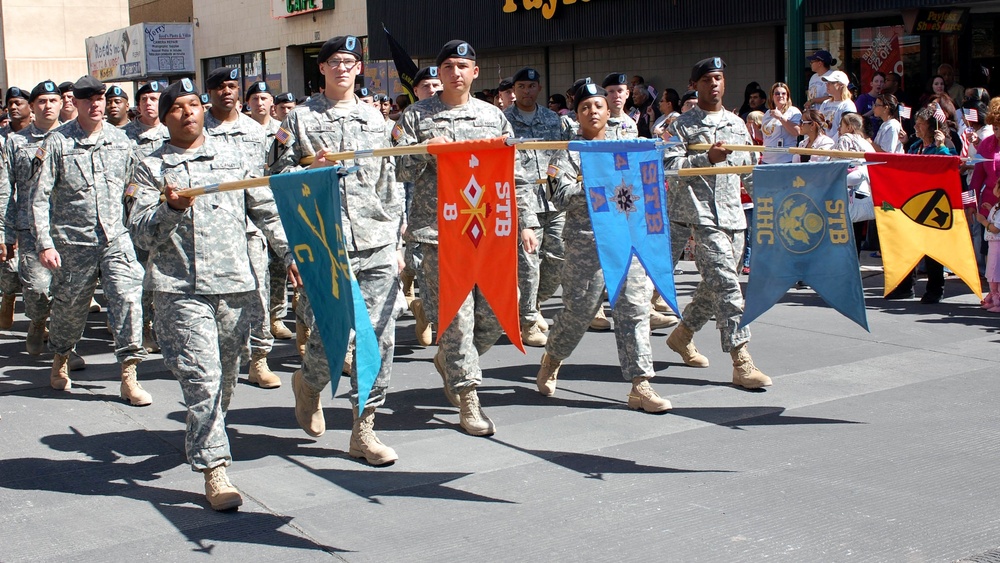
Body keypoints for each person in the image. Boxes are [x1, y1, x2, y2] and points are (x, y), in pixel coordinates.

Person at [128, 78, 296, 510]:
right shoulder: (149, 165)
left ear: (203, 110)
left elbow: (266, 210)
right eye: (176, 108)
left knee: (223, 378)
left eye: (193, 105)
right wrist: (170, 208)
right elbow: (140, 233)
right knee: (202, 379)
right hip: (179, 290)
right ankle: (215, 469)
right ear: (164, 118)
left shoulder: (236, 156)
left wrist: (293, 254)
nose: (187, 113)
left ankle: (208, 434)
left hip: (235, 286)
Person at [394, 39, 536, 436]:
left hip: (488, 232)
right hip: (438, 234)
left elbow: (516, 171)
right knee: (457, 319)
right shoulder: (416, 117)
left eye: (463, 65)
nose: (455, 72)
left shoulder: (494, 117)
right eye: (448, 66)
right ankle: (469, 397)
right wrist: (425, 149)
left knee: (493, 318)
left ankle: (451, 362)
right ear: (438, 74)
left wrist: (524, 221)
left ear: (475, 72)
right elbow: (399, 170)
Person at [271, 35, 403, 463]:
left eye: (350, 61)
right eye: (334, 62)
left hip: (376, 239)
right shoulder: (299, 119)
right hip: (324, 241)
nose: (342, 67)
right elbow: (276, 177)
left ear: (359, 68)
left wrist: (396, 239)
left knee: (379, 337)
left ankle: (363, 429)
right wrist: (311, 168)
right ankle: (308, 385)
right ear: (322, 69)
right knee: (332, 338)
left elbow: (391, 181)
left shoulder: (376, 120)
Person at [534, 82, 672, 412]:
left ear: (608, 112)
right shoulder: (567, 153)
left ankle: (641, 385)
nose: (592, 112)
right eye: (585, 107)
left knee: (634, 310)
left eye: (598, 106)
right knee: (578, 313)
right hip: (585, 244)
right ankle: (553, 356)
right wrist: (593, 186)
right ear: (576, 115)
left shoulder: (623, 147)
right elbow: (559, 196)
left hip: (625, 241)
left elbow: (647, 180)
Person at [31, 76, 149, 400]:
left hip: (115, 239)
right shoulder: (57, 143)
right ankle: (60, 357)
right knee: (70, 310)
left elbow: (135, 186)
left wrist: (140, 216)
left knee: (127, 298)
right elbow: (39, 197)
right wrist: (45, 243)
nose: (97, 104)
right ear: (76, 104)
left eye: (100, 98)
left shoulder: (122, 141)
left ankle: (129, 375)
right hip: (73, 244)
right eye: (89, 100)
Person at [662, 56, 771, 390]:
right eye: (707, 79)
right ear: (695, 85)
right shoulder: (681, 125)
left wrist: (769, 205)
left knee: (712, 288)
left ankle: (682, 335)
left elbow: (749, 170)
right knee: (727, 287)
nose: (715, 84)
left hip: (734, 216)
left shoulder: (737, 125)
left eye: (719, 78)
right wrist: (705, 158)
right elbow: (669, 166)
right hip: (699, 217)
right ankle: (741, 360)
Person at [203, 67, 280, 389]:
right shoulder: (199, 129)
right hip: (213, 228)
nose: (226, 92)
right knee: (218, 299)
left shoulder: (255, 131)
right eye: (219, 87)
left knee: (259, 295)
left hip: (251, 228)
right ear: (208, 93)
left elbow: (271, 176)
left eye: (232, 86)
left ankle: (259, 359)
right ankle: (219, 356)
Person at [505, 67, 569, 347]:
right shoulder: (504, 120)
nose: (526, 91)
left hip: (553, 199)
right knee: (528, 263)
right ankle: (527, 319)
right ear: (513, 90)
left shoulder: (552, 119)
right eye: (521, 86)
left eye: (531, 86)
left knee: (557, 257)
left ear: (539, 89)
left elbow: (562, 156)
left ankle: (535, 302)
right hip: (522, 200)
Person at [0, 80, 63, 354]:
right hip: (30, 229)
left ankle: (65, 347)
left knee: (69, 293)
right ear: (33, 106)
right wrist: (5, 233)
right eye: (42, 101)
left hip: (68, 228)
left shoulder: (73, 139)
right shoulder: (16, 142)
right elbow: (5, 190)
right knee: (37, 288)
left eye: (53, 100)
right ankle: (38, 321)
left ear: (61, 104)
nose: (47, 106)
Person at [885, 107, 955, 303]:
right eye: (915, 123)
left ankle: (935, 289)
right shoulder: (915, 146)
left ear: (932, 127)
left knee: (932, 249)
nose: (915, 127)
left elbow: (952, 168)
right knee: (908, 246)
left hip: (934, 204)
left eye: (920, 124)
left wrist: (941, 147)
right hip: (914, 202)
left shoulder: (945, 145)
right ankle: (906, 287)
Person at [974, 181, 1000, 312]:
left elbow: (996, 229)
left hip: (997, 244)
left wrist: (983, 221)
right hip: (993, 244)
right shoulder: (997, 207)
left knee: (995, 271)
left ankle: (998, 301)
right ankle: (993, 295)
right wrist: (991, 209)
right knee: (992, 271)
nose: (993, 187)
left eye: (996, 186)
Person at [818, 70, 856, 144]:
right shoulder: (825, 103)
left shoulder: (848, 105)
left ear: (841, 85)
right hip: (823, 144)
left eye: (831, 83)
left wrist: (831, 143)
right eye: (827, 82)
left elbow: (846, 128)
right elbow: (819, 123)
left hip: (838, 145)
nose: (827, 85)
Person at [602, 73, 639, 139]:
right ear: (604, 95)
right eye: (611, 91)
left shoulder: (631, 124)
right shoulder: (598, 122)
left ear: (627, 94)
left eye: (620, 91)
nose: (616, 96)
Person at [855, 72, 884, 137]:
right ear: (871, 84)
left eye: (881, 82)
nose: (879, 84)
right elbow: (856, 118)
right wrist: (872, 111)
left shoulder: (884, 100)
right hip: (865, 135)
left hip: (879, 135)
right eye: (876, 81)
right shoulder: (863, 98)